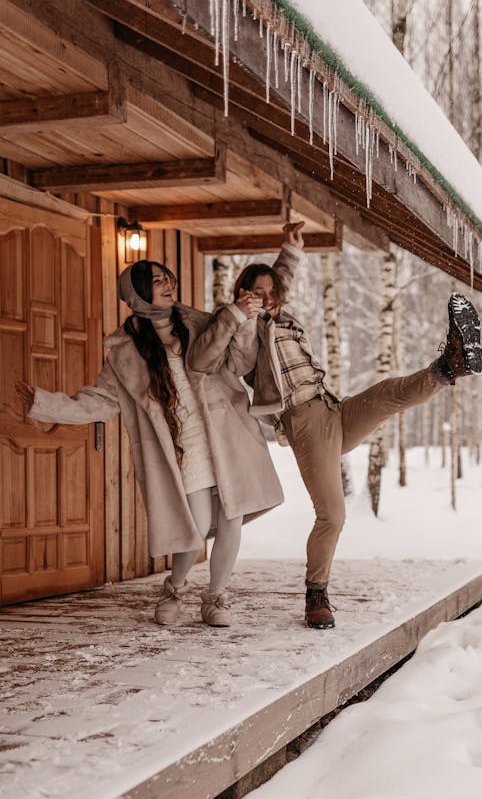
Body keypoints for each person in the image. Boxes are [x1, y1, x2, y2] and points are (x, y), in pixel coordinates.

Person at [190, 222, 482, 630]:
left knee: (388, 393)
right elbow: (204, 361)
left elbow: (281, 279)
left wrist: (290, 250)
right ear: (242, 295)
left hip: (332, 407)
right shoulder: (245, 334)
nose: (266, 297)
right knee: (333, 514)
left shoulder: (281, 315)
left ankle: (451, 364)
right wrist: (237, 314)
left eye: (270, 291)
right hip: (303, 422)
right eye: (255, 292)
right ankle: (316, 594)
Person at [16, 259, 283, 627]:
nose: (166, 284)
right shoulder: (124, 352)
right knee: (197, 523)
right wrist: (42, 403)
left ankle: (216, 597)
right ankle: (174, 587)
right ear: (137, 293)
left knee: (231, 516)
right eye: (156, 281)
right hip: (182, 448)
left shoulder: (200, 322)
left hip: (227, 437)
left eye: (167, 278)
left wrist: (244, 320)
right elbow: (99, 401)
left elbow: (239, 363)